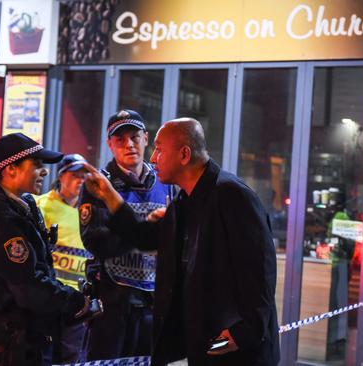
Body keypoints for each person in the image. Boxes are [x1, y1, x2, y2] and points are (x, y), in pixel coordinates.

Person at [82, 118, 280, 366]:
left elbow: (259, 268)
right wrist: (110, 196)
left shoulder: (231, 194)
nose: (153, 159)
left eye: (159, 149)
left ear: (184, 154)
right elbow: (145, 237)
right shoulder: (185, 201)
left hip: (236, 346)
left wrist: (246, 330)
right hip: (208, 341)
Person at [0, 133, 91, 366]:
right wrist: (77, 302)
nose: (45, 171)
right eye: (36, 165)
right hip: (14, 340)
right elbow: (28, 285)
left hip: (33, 335)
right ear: (11, 169)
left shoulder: (24, 204)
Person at [79, 109, 173, 361]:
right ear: (110, 145)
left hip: (154, 305)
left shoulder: (167, 181)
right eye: (120, 140)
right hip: (114, 306)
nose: (128, 144)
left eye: (134, 136)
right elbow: (96, 241)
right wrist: (145, 233)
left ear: (146, 138)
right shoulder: (98, 184)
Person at [34, 153, 93, 364]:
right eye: (75, 175)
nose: (80, 180)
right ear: (61, 177)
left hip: (77, 304)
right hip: (48, 299)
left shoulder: (90, 212)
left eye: (84, 176)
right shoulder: (39, 206)